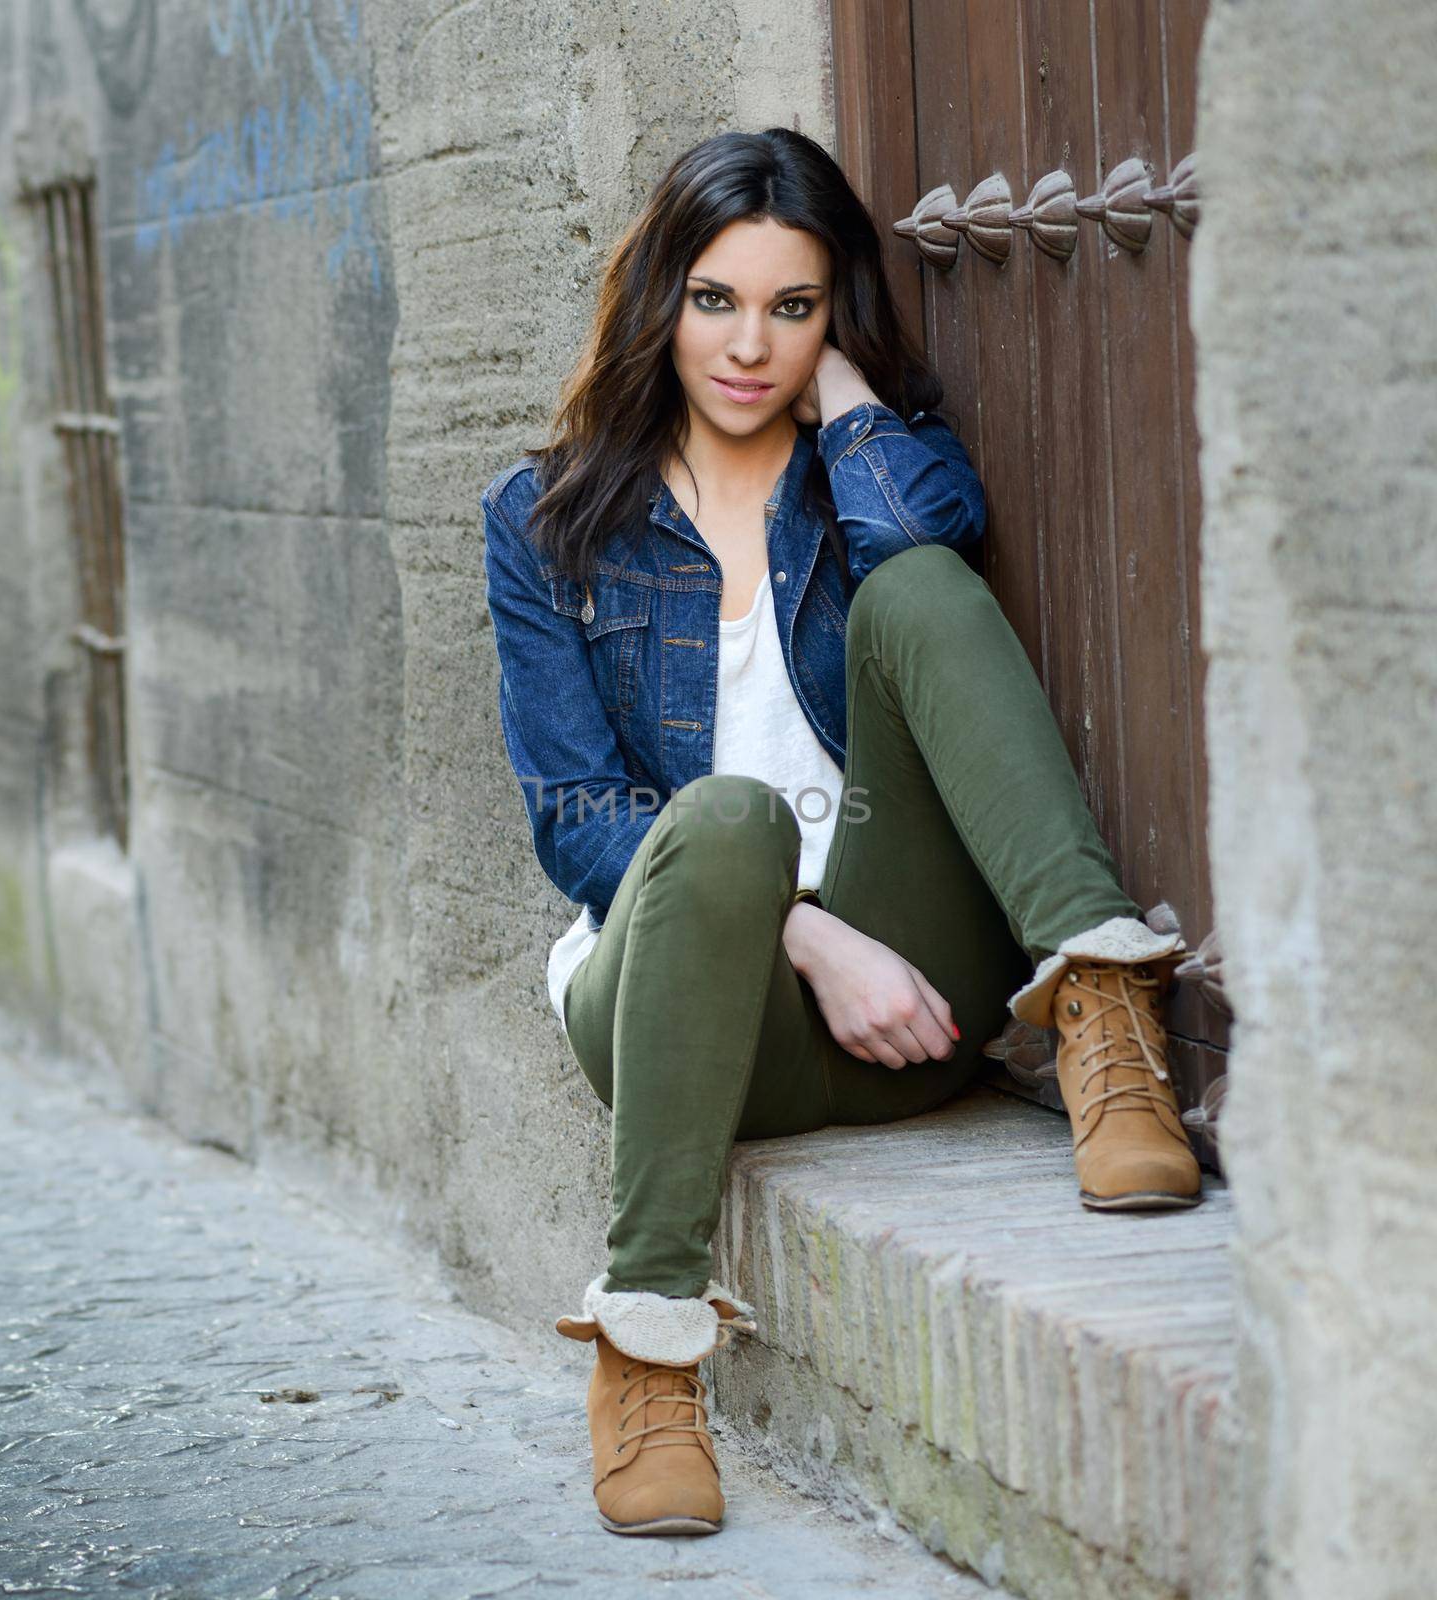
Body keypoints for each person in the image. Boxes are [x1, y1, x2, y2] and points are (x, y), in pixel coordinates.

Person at [480, 127, 1201, 1538]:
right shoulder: (547, 516)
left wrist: (852, 409)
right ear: (658, 302)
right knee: (730, 820)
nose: (751, 345)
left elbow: (934, 536)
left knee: (921, 593)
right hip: (689, 1014)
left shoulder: (862, 465)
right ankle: (648, 1350)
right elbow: (576, 819)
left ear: (835, 315)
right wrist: (807, 935)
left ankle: (1105, 1013)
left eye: (793, 308)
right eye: (716, 301)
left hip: (914, 1009)